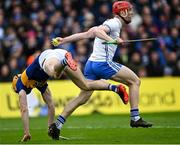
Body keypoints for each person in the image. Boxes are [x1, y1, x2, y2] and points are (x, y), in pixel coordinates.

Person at [49, 1, 153, 140]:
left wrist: (63, 40)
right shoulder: (114, 23)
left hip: (91, 64)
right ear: (122, 12)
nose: (132, 13)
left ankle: (57, 125)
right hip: (102, 63)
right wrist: (113, 40)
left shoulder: (109, 22)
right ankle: (135, 117)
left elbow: (87, 34)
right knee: (135, 81)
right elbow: (98, 32)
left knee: (82, 98)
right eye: (130, 10)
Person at [12, 49, 128, 142]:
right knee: (85, 86)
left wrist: (26, 132)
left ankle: (64, 62)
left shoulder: (21, 85)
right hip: (61, 54)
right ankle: (115, 88)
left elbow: (24, 109)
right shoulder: (38, 84)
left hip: (47, 58)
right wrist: (50, 128)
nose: (19, 93)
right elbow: (51, 106)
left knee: (53, 73)